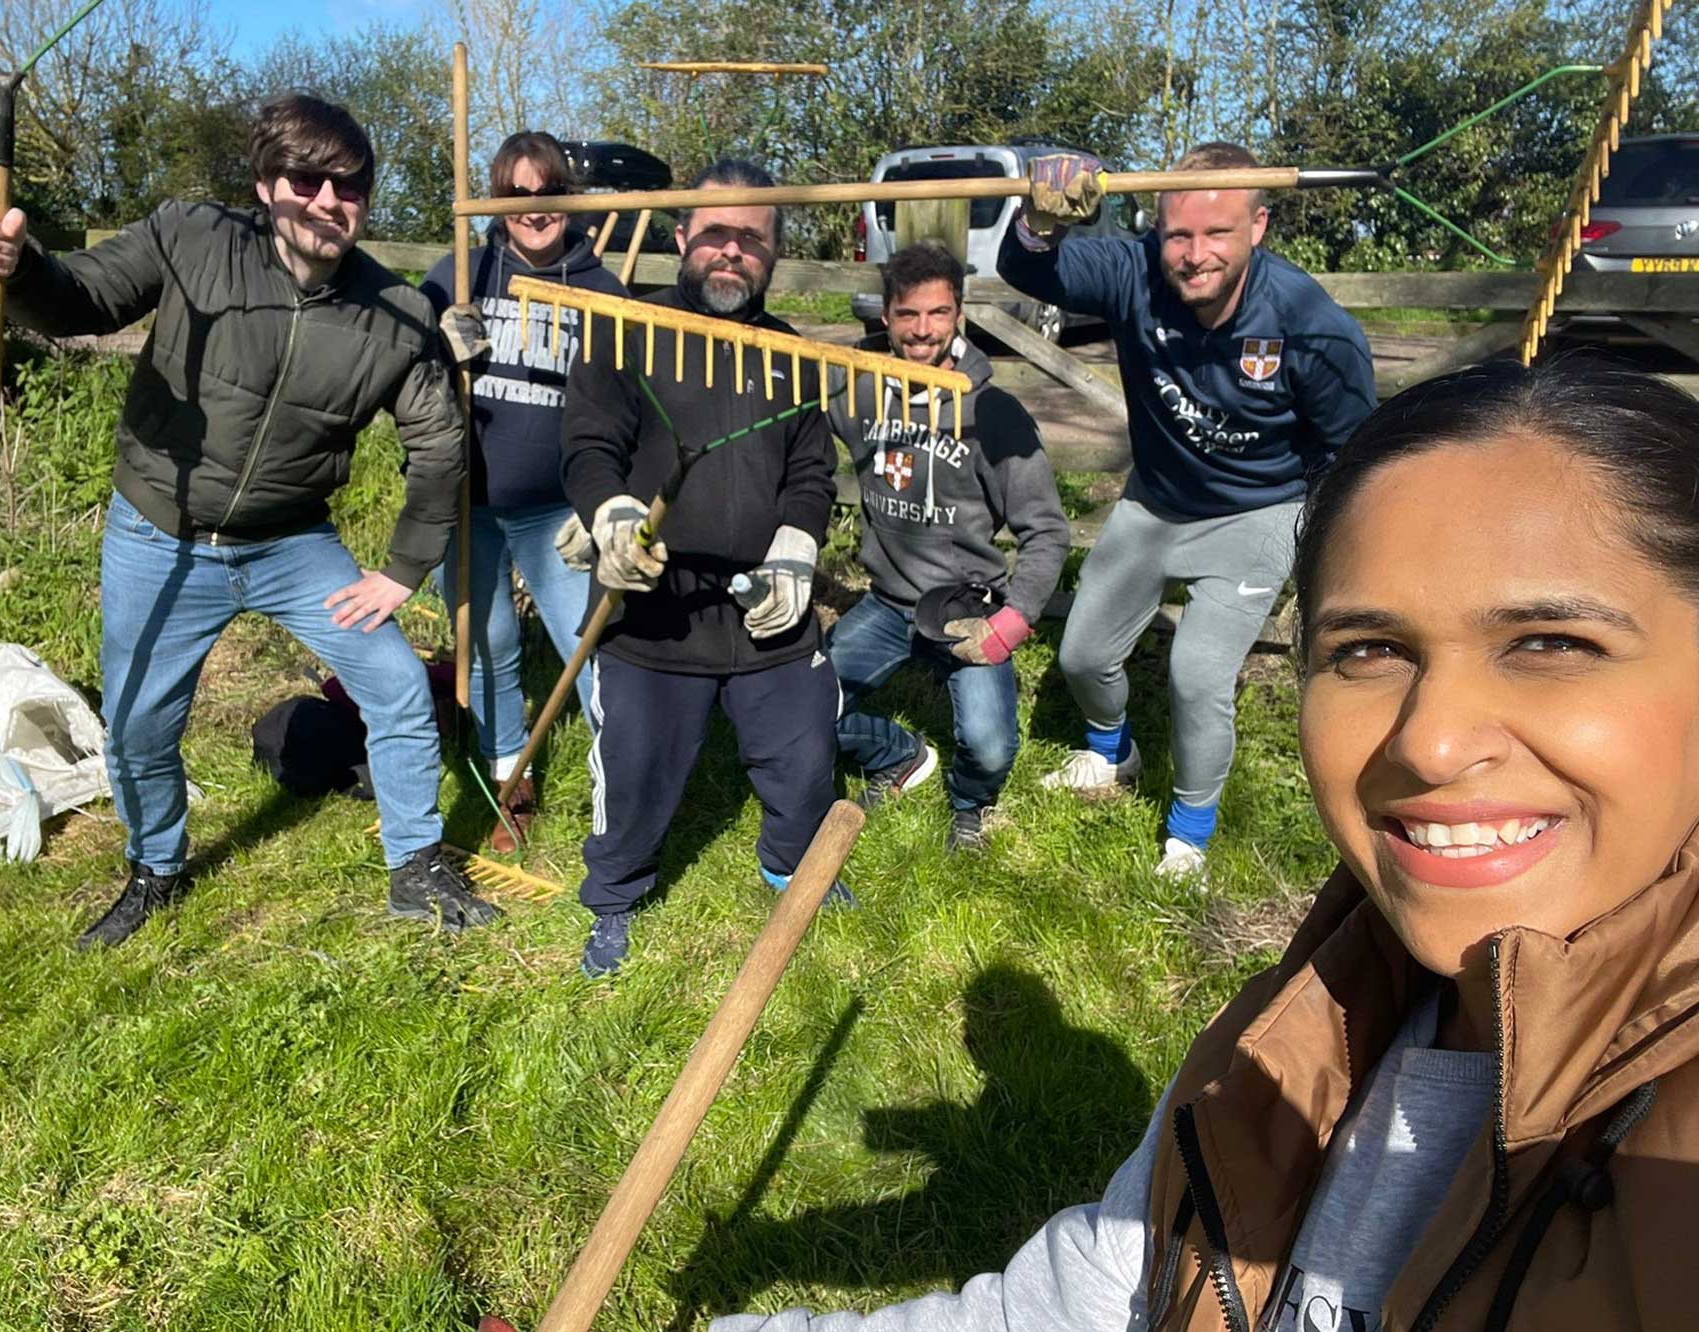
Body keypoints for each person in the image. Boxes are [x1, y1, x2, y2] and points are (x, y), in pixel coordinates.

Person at [713, 359, 1699, 1331]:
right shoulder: (1279, 1044)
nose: (1429, 742)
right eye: (1365, 650)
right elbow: (1060, 1311)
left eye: (1550, 645)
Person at [0, 93, 501, 946]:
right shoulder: (192, 237)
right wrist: (17, 264)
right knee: (140, 721)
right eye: (308, 180)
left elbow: (438, 445)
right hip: (158, 533)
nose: (329, 201)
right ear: (265, 184)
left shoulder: (396, 314)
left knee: (396, 686)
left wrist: (401, 570)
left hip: (293, 543)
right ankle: (156, 869)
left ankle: (417, 866)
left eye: (349, 186)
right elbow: (82, 301)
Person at [999, 142, 1375, 883]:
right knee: (1080, 653)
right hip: (1156, 499)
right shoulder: (1133, 270)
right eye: (1179, 234)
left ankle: (1190, 836)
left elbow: (1354, 453)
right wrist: (1038, 222)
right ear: (1156, 227)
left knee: (1196, 677)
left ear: (1258, 226)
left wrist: (1319, 550)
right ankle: (1112, 756)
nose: (1194, 255)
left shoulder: (1312, 326)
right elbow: (1030, 269)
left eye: (1218, 234)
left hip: (1258, 511)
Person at [559, 158, 843, 978]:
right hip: (653, 611)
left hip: (763, 609)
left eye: (752, 240)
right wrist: (610, 515)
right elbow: (587, 445)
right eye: (716, 234)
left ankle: (791, 869)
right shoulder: (625, 328)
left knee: (803, 759)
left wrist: (796, 550)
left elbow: (810, 474)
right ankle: (614, 897)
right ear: (682, 238)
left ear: (773, 257)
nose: (731, 252)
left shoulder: (791, 353)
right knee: (636, 772)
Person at [419, 131, 627, 851]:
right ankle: (512, 775)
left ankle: (620, 779)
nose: (533, 210)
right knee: (489, 640)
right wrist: (440, 343)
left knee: (587, 644)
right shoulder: (465, 271)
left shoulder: (601, 291)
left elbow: (628, 404)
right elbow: (405, 364)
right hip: (468, 498)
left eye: (548, 194)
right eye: (516, 196)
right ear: (495, 202)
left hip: (555, 508)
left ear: (567, 199)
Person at [826, 241, 1070, 851]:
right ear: (886, 317)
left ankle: (970, 803)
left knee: (991, 745)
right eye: (907, 314)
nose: (922, 329)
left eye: (938, 313)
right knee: (799, 706)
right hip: (885, 604)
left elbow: (1047, 530)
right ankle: (898, 756)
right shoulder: (857, 390)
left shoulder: (993, 414)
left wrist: (1012, 622)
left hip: (967, 607)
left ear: (958, 314)